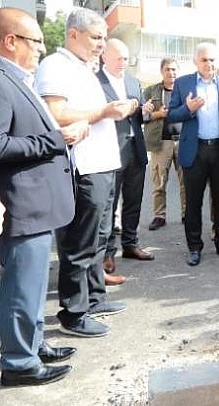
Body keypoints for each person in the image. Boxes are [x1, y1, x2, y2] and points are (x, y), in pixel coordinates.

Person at [36, 7, 131, 337]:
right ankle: (73, 313)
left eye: (104, 37)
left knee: (98, 238)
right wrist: (104, 111)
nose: (101, 44)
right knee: (79, 242)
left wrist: (110, 111)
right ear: (73, 34)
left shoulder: (84, 68)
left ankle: (94, 298)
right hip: (83, 167)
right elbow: (55, 114)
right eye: (96, 37)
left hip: (102, 164)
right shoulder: (55, 66)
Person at [0, 7, 80, 386]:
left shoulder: (19, 79)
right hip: (23, 203)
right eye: (35, 41)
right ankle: (19, 363)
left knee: (32, 285)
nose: (41, 48)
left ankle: (33, 345)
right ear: (10, 41)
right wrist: (54, 140)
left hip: (37, 204)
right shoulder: (2, 82)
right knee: (21, 288)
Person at [167, 42, 219, 267]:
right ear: (195, 61)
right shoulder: (183, 83)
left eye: (212, 60)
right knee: (193, 202)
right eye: (204, 60)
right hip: (195, 150)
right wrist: (188, 109)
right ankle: (194, 247)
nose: (209, 64)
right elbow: (172, 115)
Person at [97, 38, 155, 277]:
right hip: (110, 151)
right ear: (104, 57)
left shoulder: (133, 81)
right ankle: (107, 252)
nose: (123, 63)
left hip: (135, 149)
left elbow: (138, 115)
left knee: (133, 200)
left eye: (126, 59)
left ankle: (130, 244)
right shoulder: (95, 82)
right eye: (119, 58)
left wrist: (144, 111)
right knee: (109, 205)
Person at [144, 57, 186, 231]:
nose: (171, 72)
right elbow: (142, 116)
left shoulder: (184, 90)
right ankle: (159, 216)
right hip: (161, 143)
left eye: (174, 69)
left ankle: (186, 214)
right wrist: (158, 114)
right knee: (159, 182)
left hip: (183, 141)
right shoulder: (151, 91)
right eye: (168, 69)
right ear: (162, 71)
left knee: (186, 182)